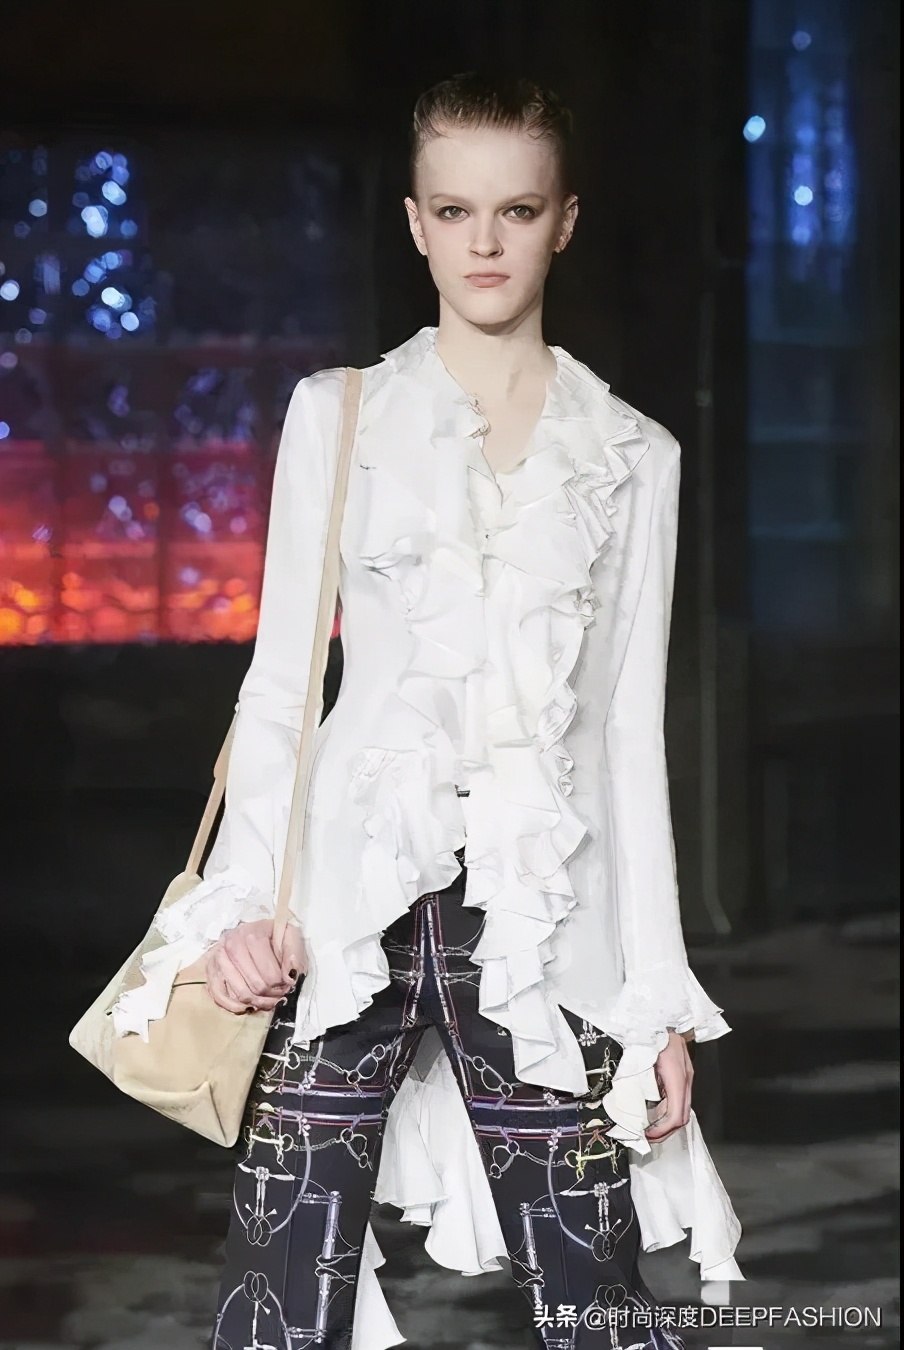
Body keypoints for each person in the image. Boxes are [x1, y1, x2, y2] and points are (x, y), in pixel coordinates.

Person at [113, 73, 742, 1349]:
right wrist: (243, 909)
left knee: (597, 1304)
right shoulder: (338, 415)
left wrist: (657, 1000)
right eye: (455, 211)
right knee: (279, 1300)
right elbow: (283, 683)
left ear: (564, 219)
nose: (485, 243)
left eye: (517, 210)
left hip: (542, 927)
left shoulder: (635, 459)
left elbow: (627, 744)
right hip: (340, 914)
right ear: (414, 222)